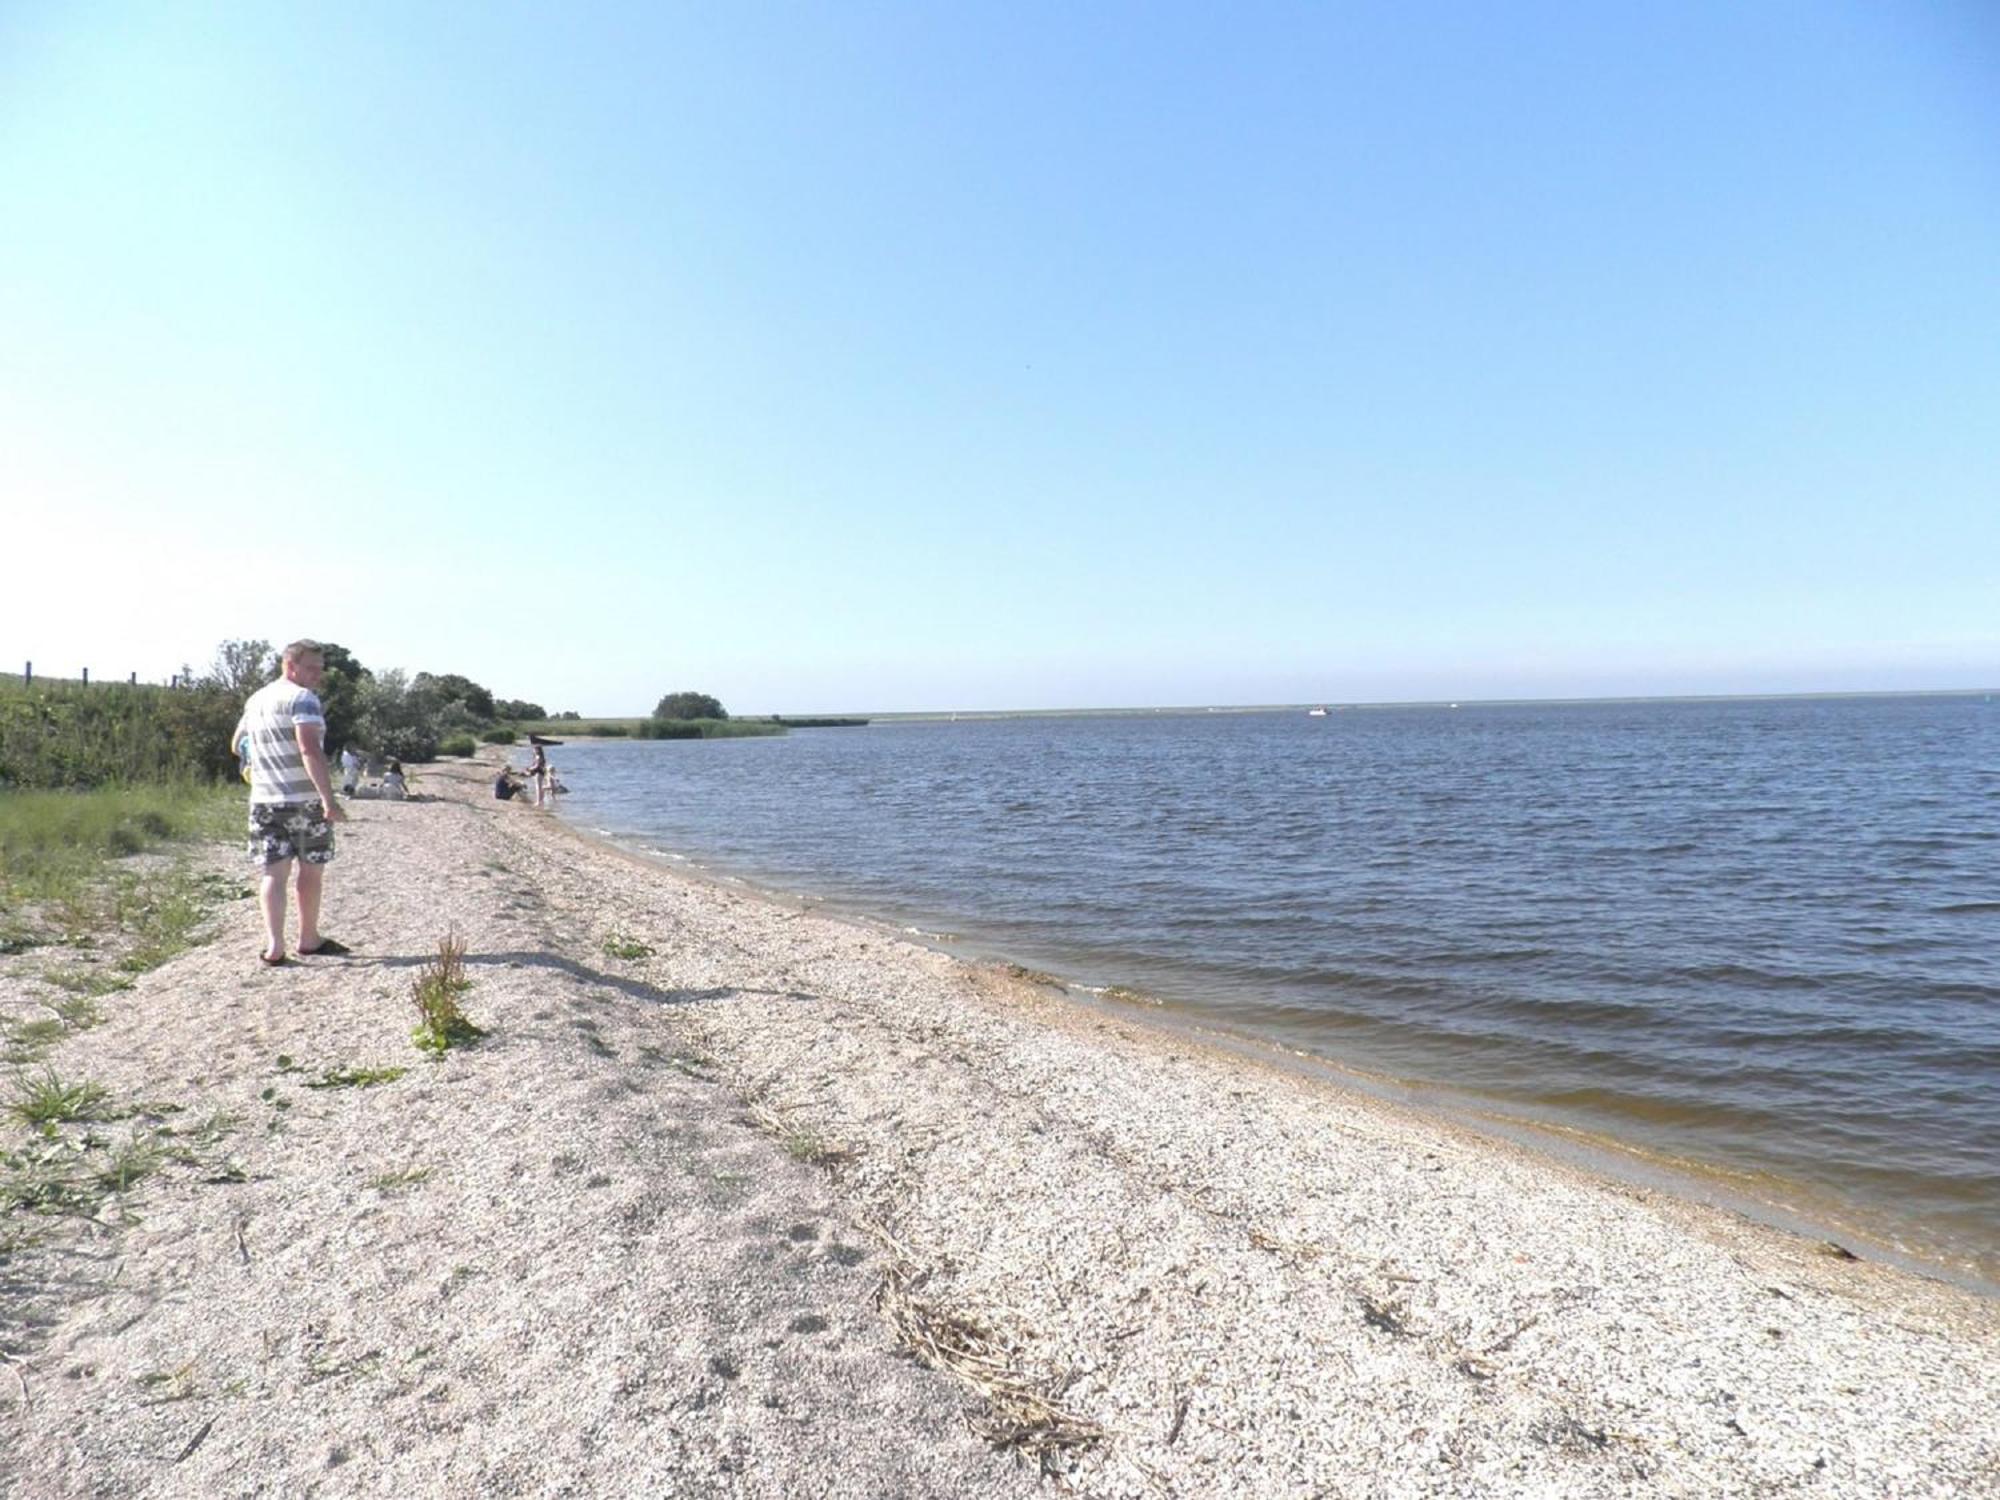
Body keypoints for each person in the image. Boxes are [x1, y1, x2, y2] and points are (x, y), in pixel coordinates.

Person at [231, 640, 348, 965]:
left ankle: (274, 946)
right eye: (311, 668)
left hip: (264, 800)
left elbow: (238, 743)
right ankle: (308, 938)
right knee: (311, 873)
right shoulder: (303, 699)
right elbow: (310, 749)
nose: (317, 676)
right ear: (290, 665)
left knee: (273, 873)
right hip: (304, 801)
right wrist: (329, 800)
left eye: (320, 669)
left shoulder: (256, 699)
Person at [525, 741, 550, 807]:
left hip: (538, 773)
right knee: (540, 787)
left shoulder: (538, 757)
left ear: (537, 750)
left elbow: (537, 766)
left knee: (538, 788)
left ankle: (538, 802)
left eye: (534, 749)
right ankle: (541, 801)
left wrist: (530, 769)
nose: (533, 750)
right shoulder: (542, 757)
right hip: (541, 773)